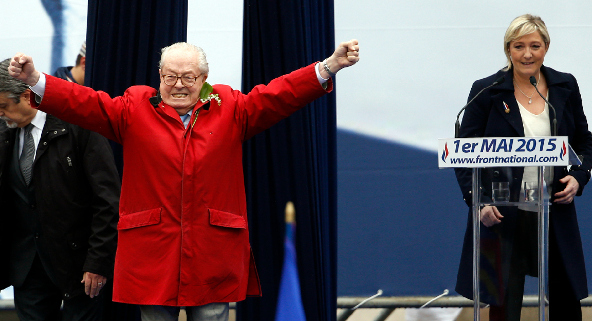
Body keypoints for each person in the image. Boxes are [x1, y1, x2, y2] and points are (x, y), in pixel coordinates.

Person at [8, 39, 360, 321]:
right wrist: (34, 79)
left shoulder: (232, 108)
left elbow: (278, 95)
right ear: (159, 75)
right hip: (153, 253)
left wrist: (329, 66)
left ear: (203, 79)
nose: (178, 85)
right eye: (170, 76)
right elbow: (82, 102)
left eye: (188, 77)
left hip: (212, 252)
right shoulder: (134, 108)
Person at [454, 14, 592, 320]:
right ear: (508, 50)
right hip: (500, 213)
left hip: (553, 208)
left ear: (545, 48)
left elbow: (585, 143)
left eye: (534, 45)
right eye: (519, 46)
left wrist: (579, 177)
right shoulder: (486, 91)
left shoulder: (563, 85)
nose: (527, 54)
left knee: (567, 301)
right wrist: (479, 202)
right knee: (501, 303)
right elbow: (464, 156)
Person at [0, 58, 121, 320]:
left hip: (77, 267)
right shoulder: (5, 130)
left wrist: (97, 263)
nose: (1, 114)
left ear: (26, 96)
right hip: (26, 267)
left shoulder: (79, 125)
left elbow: (108, 200)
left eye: (3, 106)